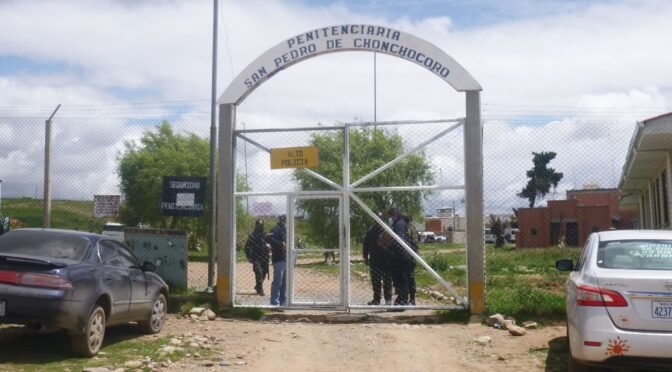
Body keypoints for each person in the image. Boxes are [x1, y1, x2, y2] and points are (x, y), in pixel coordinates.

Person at [385, 207, 416, 306]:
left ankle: (402, 300)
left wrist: (390, 247)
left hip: (400, 256)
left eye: (391, 216)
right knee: (406, 278)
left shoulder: (399, 225)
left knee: (401, 279)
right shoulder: (405, 224)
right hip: (407, 255)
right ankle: (405, 300)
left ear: (395, 215)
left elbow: (399, 241)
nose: (391, 219)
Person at [363, 215, 392, 305]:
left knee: (376, 281)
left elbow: (365, 245)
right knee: (387, 281)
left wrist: (365, 256)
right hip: (387, 260)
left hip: (375, 260)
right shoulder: (388, 230)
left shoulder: (371, 231)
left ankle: (377, 300)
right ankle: (388, 300)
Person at [244, 219, 270, 296]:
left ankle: (257, 286)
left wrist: (269, 246)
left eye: (261, 225)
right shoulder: (252, 236)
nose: (259, 227)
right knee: (258, 273)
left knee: (264, 273)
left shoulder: (265, 235)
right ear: (256, 226)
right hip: (256, 258)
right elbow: (247, 247)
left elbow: (269, 244)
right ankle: (260, 290)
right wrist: (249, 256)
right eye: (258, 225)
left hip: (265, 257)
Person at [268, 215, 287, 306]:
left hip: (287, 258)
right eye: (283, 221)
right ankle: (274, 302)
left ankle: (283, 301)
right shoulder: (275, 229)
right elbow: (268, 239)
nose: (284, 223)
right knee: (278, 281)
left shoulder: (287, 230)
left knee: (284, 282)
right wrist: (281, 244)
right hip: (278, 258)